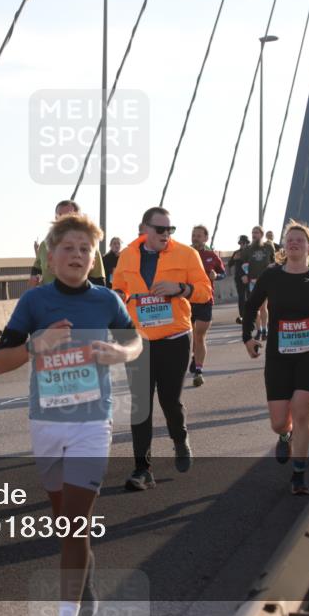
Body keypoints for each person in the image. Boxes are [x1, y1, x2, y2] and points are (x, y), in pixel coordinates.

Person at [0, 214, 141, 616]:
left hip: (93, 423)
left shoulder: (107, 300)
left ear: (94, 258)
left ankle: (67, 613)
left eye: (85, 249)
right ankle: (85, 583)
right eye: (68, 248)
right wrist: (35, 345)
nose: (77, 254)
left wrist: (121, 353)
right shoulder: (33, 302)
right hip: (46, 423)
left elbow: (134, 341)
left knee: (76, 524)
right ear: (51, 257)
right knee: (66, 526)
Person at [112, 207, 212, 491]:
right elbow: (120, 286)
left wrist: (180, 288)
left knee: (169, 400)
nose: (166, 235)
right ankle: (143, 469)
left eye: (170, 230)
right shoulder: (127, 255)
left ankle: (180, 439)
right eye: (160, 230)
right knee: (140, 404)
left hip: (174, 338)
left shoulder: (186, 254)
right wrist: (119, 295)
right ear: (145, 229)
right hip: (139, 339)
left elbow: (205, 290)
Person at [243, 220, 309, 495]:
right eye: (290, 239)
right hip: (278, 355)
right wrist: (248, 337)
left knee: (301, 412)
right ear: (283, 247)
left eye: (300, 240)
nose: (294, 243)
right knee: (279, 421)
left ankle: (299, 475)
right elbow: (251, 307)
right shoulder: (271, 276)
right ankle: (284, 436)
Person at [31, 200, 106, 287]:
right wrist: (34, 278)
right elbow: (37, 268)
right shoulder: (45, 245)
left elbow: (99, 283)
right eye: (59, 216)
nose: (62, 221)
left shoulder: (89, 248)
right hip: (48, 299)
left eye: (68, 216)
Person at [189, 225, 225, 387]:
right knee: (189, 337)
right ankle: (193, 356)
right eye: (193, 235)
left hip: (205, 301)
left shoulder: (211, 256)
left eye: (198, 235)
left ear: (205, 238)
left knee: (199, 336)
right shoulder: (185, 254)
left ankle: (198, 370)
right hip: (186, 301)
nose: (195, 238)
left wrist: (216, 276)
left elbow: (222, 273)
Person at [245, 226, 277, 340]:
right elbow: (244, 264)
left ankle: (264, 330)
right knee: (256, 307)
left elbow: (275, 261)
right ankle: (258, 330)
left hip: (265, 281)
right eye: (253, 232)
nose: (254, 234)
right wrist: (246, 275)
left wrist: (272, 267)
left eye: (256, 232)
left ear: (261, 234)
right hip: (253, 282)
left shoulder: (268, 247)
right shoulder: (248, 249)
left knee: (263, 307)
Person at [228, 235, 251, 324]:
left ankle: (250, 314)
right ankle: (242, 316)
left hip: (250, 277)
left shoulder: (251, 252)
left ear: (247, 243)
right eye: (241, 243)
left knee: (250, 296)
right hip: (238, 278)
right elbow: (229, 264)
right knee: (241, 297)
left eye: (244, 243)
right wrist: (234, 258)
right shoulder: (236, 252)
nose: (242, 244)